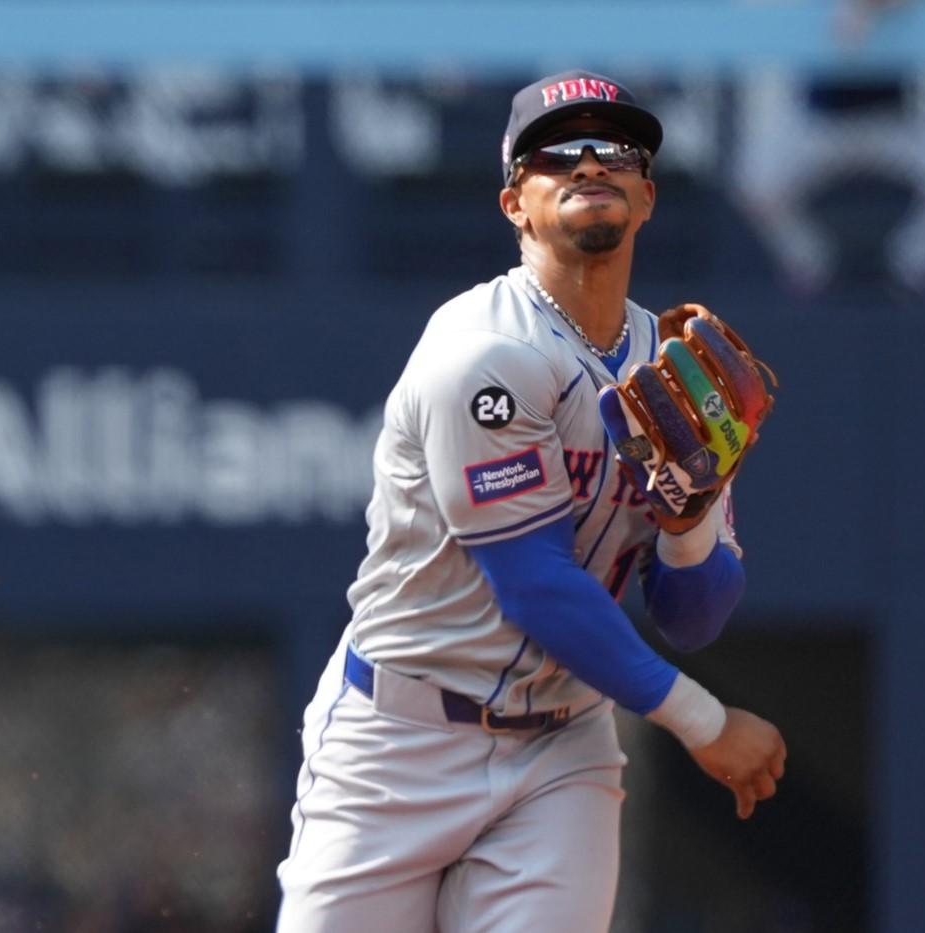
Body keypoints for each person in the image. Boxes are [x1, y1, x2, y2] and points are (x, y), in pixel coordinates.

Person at [275, 69, 788, 933]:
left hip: (561, 746)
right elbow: (536, 584)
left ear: (648, 196)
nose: (591, 165)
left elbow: (693, 616)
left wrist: (692, 520)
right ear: (515, 201)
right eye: (559, 154)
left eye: (616, 151)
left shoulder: (676, 373)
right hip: (400, 737)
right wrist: (702, 720)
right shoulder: (485, 351)